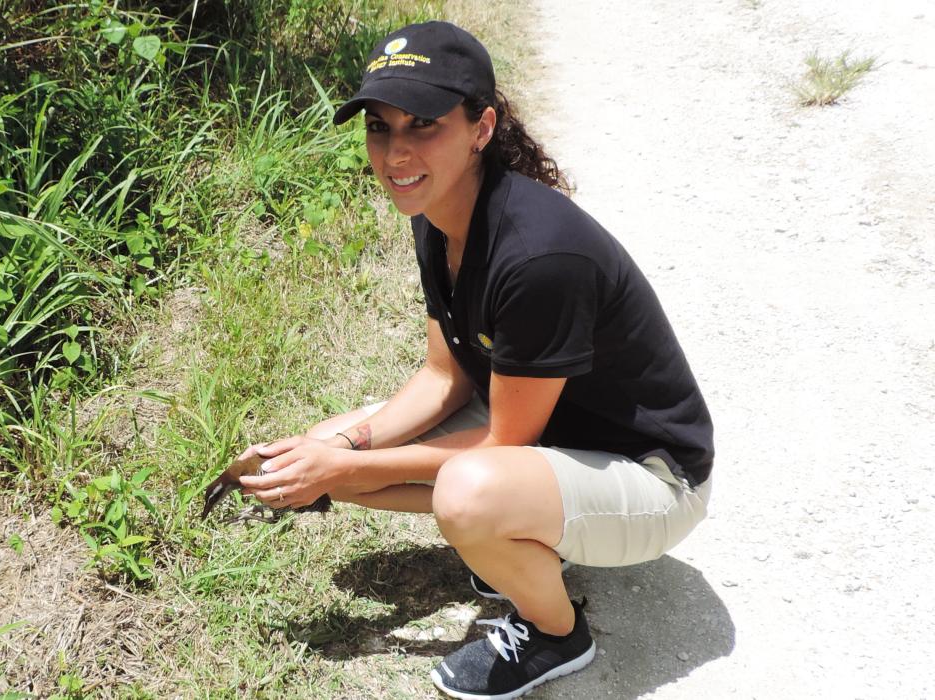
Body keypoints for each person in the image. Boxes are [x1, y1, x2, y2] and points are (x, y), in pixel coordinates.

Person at [235, 20, 715, 699]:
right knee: (320, 459)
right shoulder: (436, 212)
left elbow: (500, 443)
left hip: (653, 480)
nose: (395, 153)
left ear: (481, 128)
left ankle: (555, 634)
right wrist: (336, 451)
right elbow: (442, 377)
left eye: (422, 125)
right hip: (557, 438)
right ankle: (518, 540)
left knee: (465, 492)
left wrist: (349, 467)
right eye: (380, 127)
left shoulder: (540, 256)